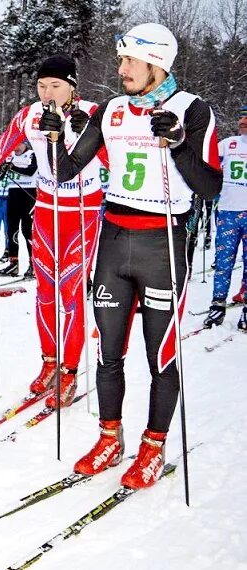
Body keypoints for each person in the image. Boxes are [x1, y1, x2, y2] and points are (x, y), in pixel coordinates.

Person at [49, 23, 222, 488]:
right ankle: (110, 438)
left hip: (163, 243)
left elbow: (211, 187)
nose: (121, 68)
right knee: (108, 352)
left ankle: (153, 446)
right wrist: (54, 135)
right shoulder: (111, 110)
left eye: (129, 61)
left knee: (160, 356)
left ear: (157, 63)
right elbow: (67, 170)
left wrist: (180, 143)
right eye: (120, 59)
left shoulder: (192, 109)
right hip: (113, 241)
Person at [0, 54, 105, 407]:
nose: (47, 93)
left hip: (82, 212)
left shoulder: (91, 113)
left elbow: (114, 162)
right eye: (42, 85)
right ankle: (49, 362)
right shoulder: (30, 114)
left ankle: (70, 371)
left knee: (71, 292)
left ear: (73, 87)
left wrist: (80, 130)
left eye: (56, 86)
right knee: (45, 292)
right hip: (45, 209)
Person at [203, 104, 247, 329]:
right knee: (223, 262)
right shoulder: (228, 144)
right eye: (241, 118)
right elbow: (209, 165)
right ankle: (217, 305)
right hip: (228, 212)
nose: (243, 122)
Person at [0, 142, 38, 277]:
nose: (16, 147)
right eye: (13, 144)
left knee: (28, 232)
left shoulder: (32, 155)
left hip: (28, 195)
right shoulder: (9, 157)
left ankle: (34, 265)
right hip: (13, 195)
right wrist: (2, 168)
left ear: (25, 143)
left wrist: (12, 168)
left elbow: (31, 171)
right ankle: (13, 264)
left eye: (19, 144)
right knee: (12, 230)